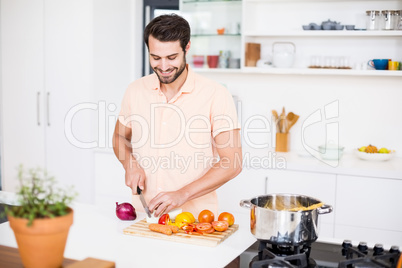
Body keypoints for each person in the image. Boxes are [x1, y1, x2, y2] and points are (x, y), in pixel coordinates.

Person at [112, 14, 242, 218]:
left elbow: (232, 162)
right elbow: (119, 137)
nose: (163, 67)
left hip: (195, 220)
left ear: (187, 48)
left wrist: (183, 194)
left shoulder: (215, 94)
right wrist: (129, 163)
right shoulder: (135, 90)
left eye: (171, 57)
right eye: (156, 58)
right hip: (144, 217)